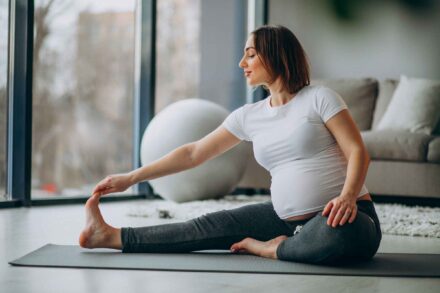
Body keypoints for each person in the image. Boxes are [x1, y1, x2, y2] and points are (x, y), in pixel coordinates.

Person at [79, 25, 381, 265]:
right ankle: (109, 236)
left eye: (250, 54)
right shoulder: (250, 116)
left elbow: (358, 152)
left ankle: (273, 250)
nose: (242, 63)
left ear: (275, 55)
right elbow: (193, 153)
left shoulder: (319, 98)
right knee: (206, 226)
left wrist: (347, 197)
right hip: (282, 219)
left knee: (341, 233)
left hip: (346, 217)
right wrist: (131, 178)